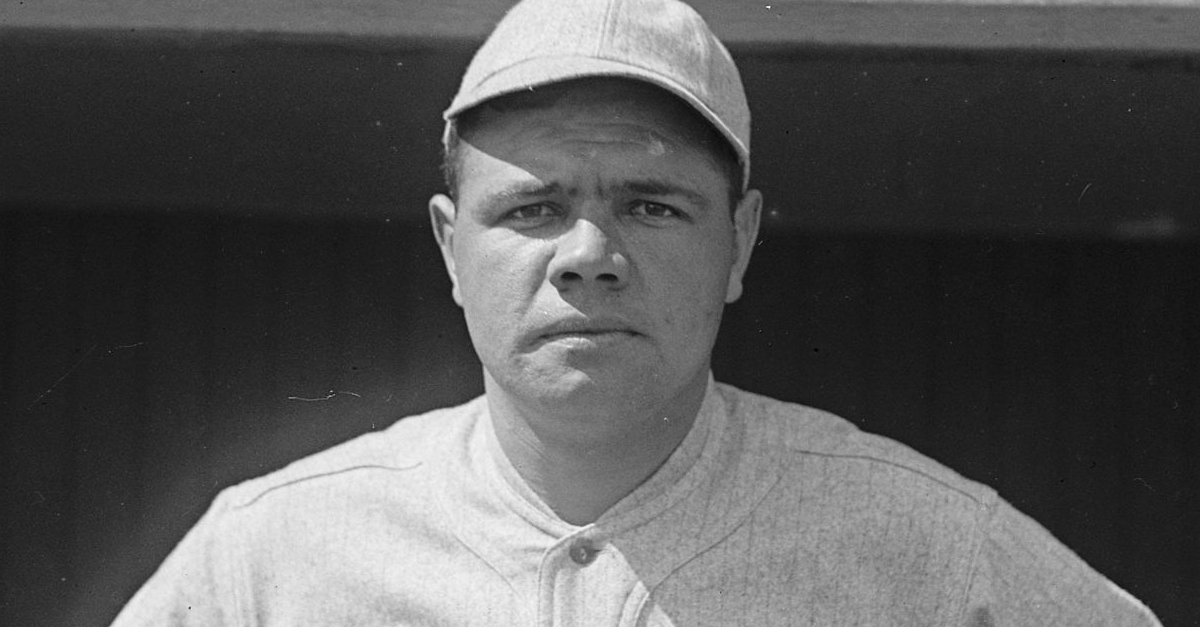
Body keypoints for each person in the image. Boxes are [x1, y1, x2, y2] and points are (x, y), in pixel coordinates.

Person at [111, 0, 1162, 625]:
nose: (589, 257)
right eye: (532, 208)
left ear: (739, 242)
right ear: (450, 247)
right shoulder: (273, 553)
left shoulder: (931, 547)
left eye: (651, 206)